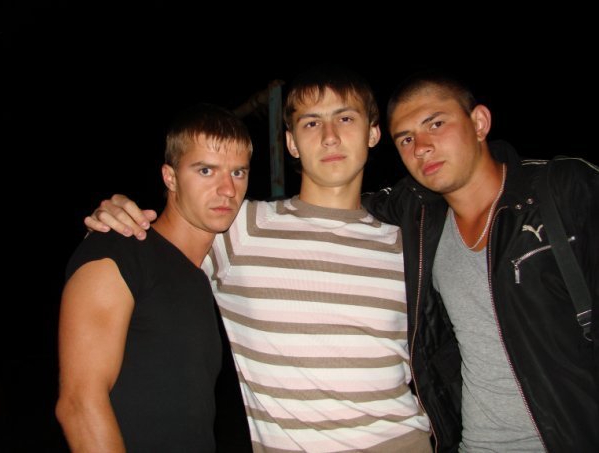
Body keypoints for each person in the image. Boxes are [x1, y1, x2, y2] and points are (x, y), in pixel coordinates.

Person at [84, 66, 433, 452]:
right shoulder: (239, 228)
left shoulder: (410, 245)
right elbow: (150, 249)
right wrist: (115, 219)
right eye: (312, 123)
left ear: (373, 133)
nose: (330, 136)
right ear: (292, 143)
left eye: (345, 118)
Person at [363, 72, 598, 451]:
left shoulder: (563, 190)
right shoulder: (421, 220)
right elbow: (338, 207)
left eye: (435, 124)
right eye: (405, 139)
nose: (421, 147)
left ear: (479, 123)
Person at [56, 104, 253, 452]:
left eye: (238, 172)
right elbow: (79, 405)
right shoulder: (118, 250)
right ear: (170, 177)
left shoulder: (200, 275)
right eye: (206, 170)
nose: (227, 189)